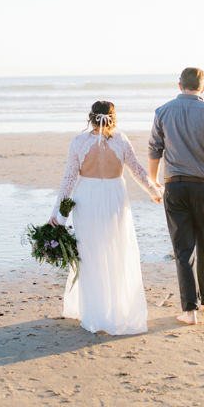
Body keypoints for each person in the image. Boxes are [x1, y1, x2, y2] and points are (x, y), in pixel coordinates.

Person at [48, 100, 163, 335]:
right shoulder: (121, 141)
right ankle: (115, 309)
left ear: (90, 118)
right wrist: (155, 191)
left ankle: (92, 311)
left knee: (89, 254)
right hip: (114, 199)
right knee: (115, 251)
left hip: (86, 200)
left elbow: (69, 179)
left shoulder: (79, 142)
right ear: (113, 118)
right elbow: (137, 171)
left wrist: (58, 215)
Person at [148, 67, 204, 325]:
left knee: (183, 249)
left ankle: (189, 310)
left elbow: (155, 150)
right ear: (202, 88)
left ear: (179, 85)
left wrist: (154, 183)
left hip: (174, 186)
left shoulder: (162, 111)